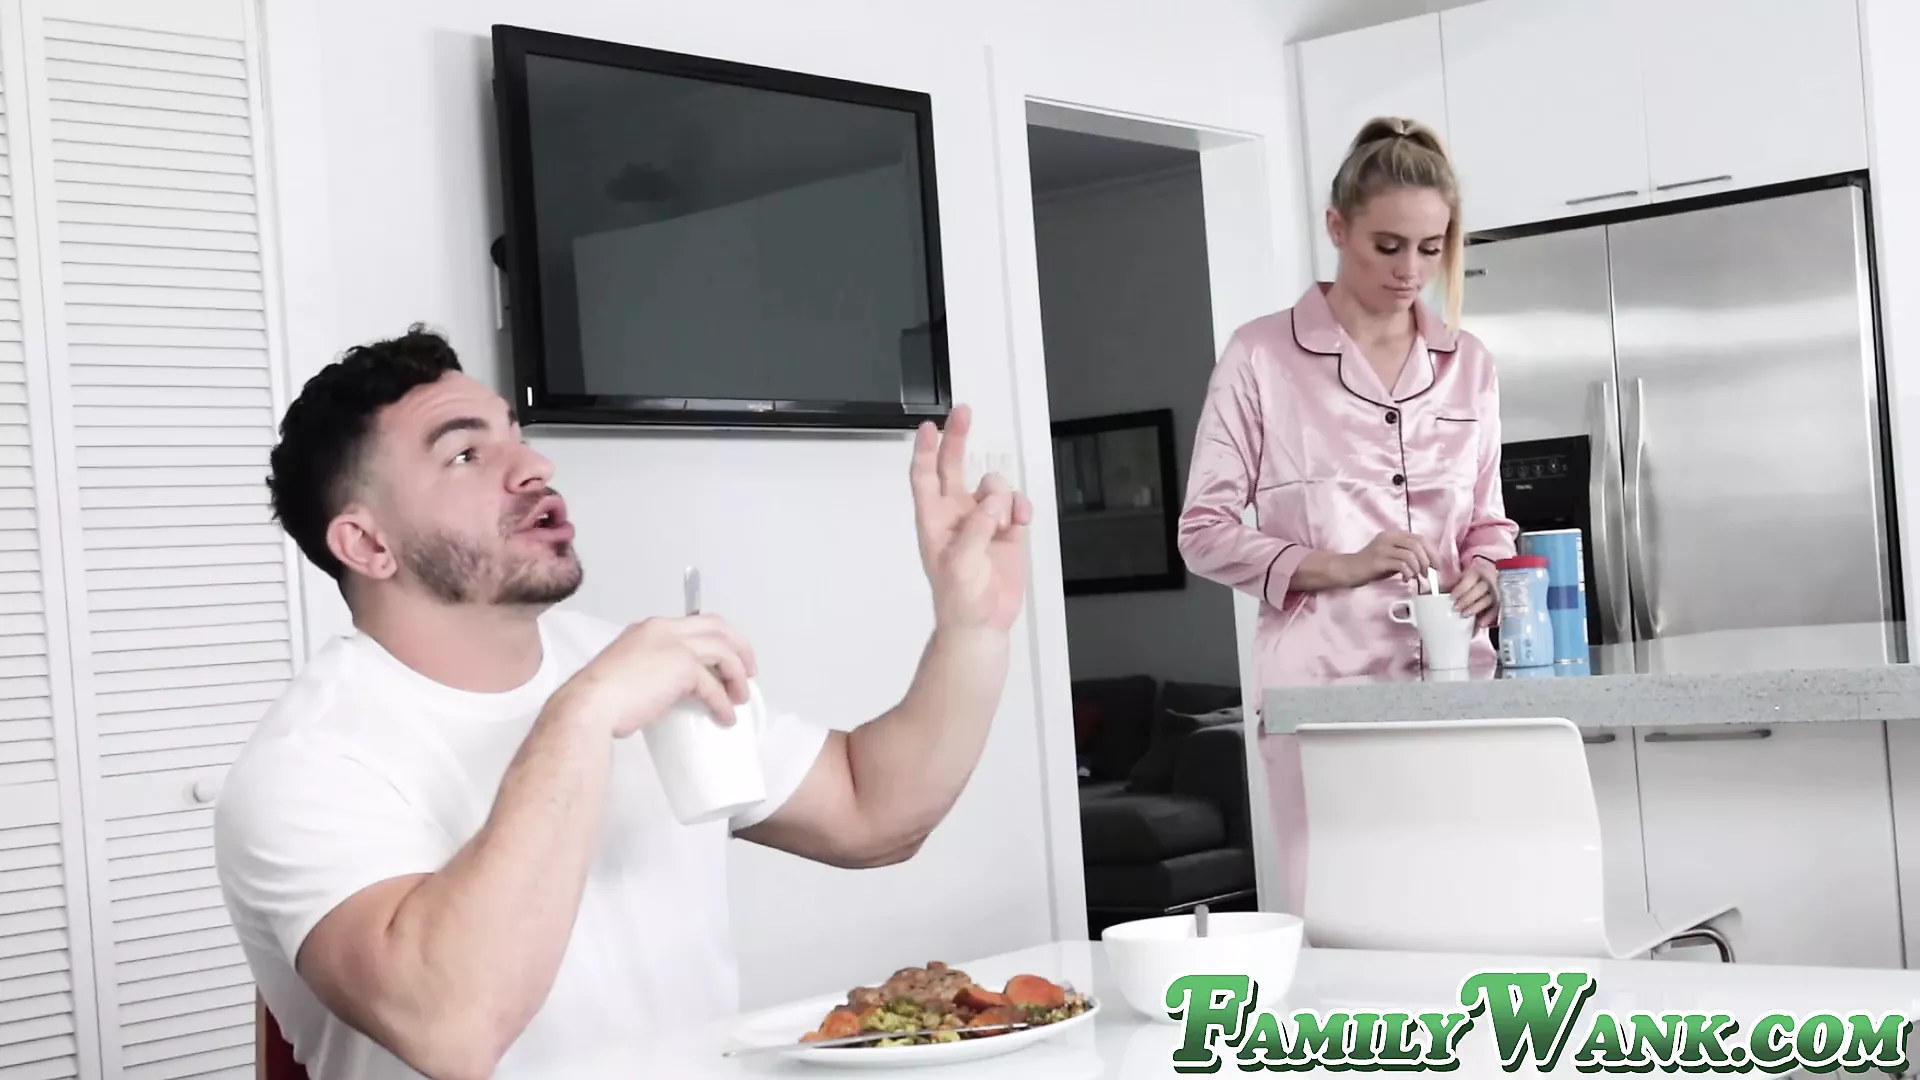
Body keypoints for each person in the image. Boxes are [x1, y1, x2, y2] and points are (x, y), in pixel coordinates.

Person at [212, 326, 1031, 1080]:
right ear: (367, 543)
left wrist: (973, 630)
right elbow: (452, 1028)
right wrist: (582, 717)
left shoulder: (621, 662)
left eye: (514, 434)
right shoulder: (308, 766)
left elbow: (872, 813)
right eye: (464, 455)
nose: (532, 466)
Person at [1175, 117, 1518, 916]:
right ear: (1337, 227)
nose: (1411, 271)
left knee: (1471, 912)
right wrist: (1339, 564)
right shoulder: (1261, 357)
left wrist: (1487, 571)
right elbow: (1203, 530)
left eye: (1431, 248)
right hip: (1320, 696)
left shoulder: (1469, 365)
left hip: (1456, 688)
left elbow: (1488, 521)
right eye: (1387, 246)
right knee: (1346, 916)